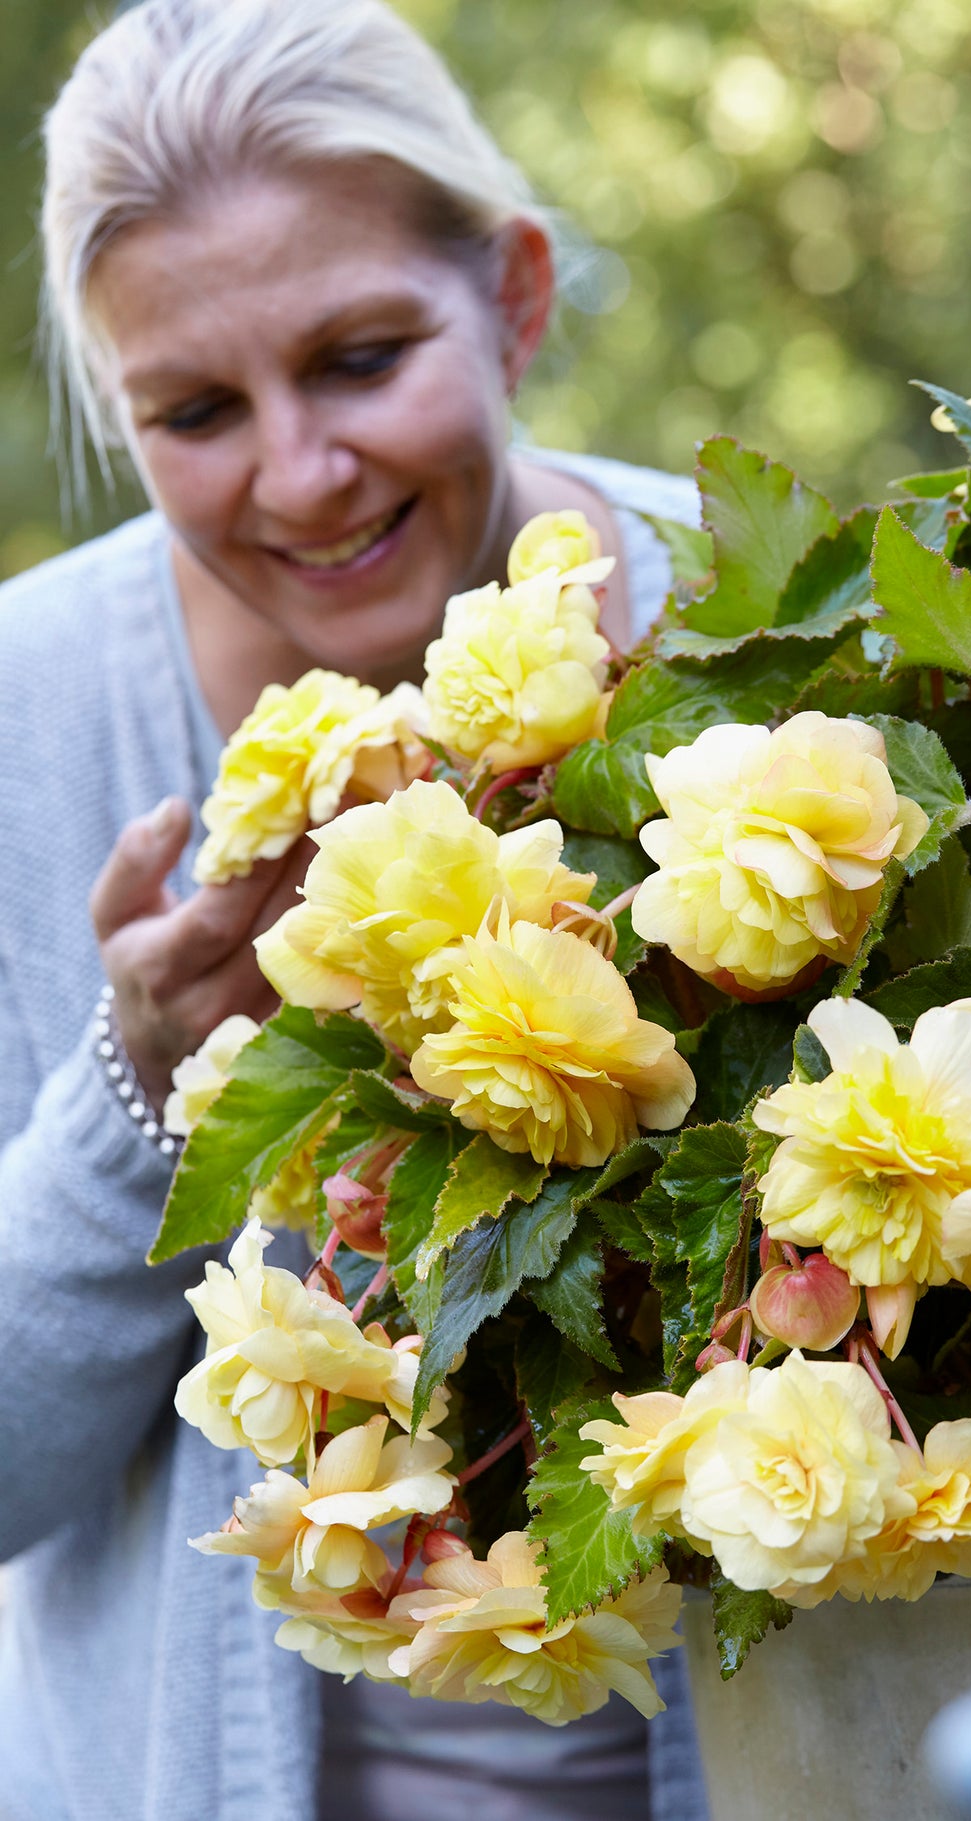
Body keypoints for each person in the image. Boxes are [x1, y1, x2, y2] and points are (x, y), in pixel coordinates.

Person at [0, 2, 709, 1817]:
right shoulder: (32, 722)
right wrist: (138, 1089)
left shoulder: (758, 626)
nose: (302, 474)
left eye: (362, 356)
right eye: (198, 411)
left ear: (520, 297)